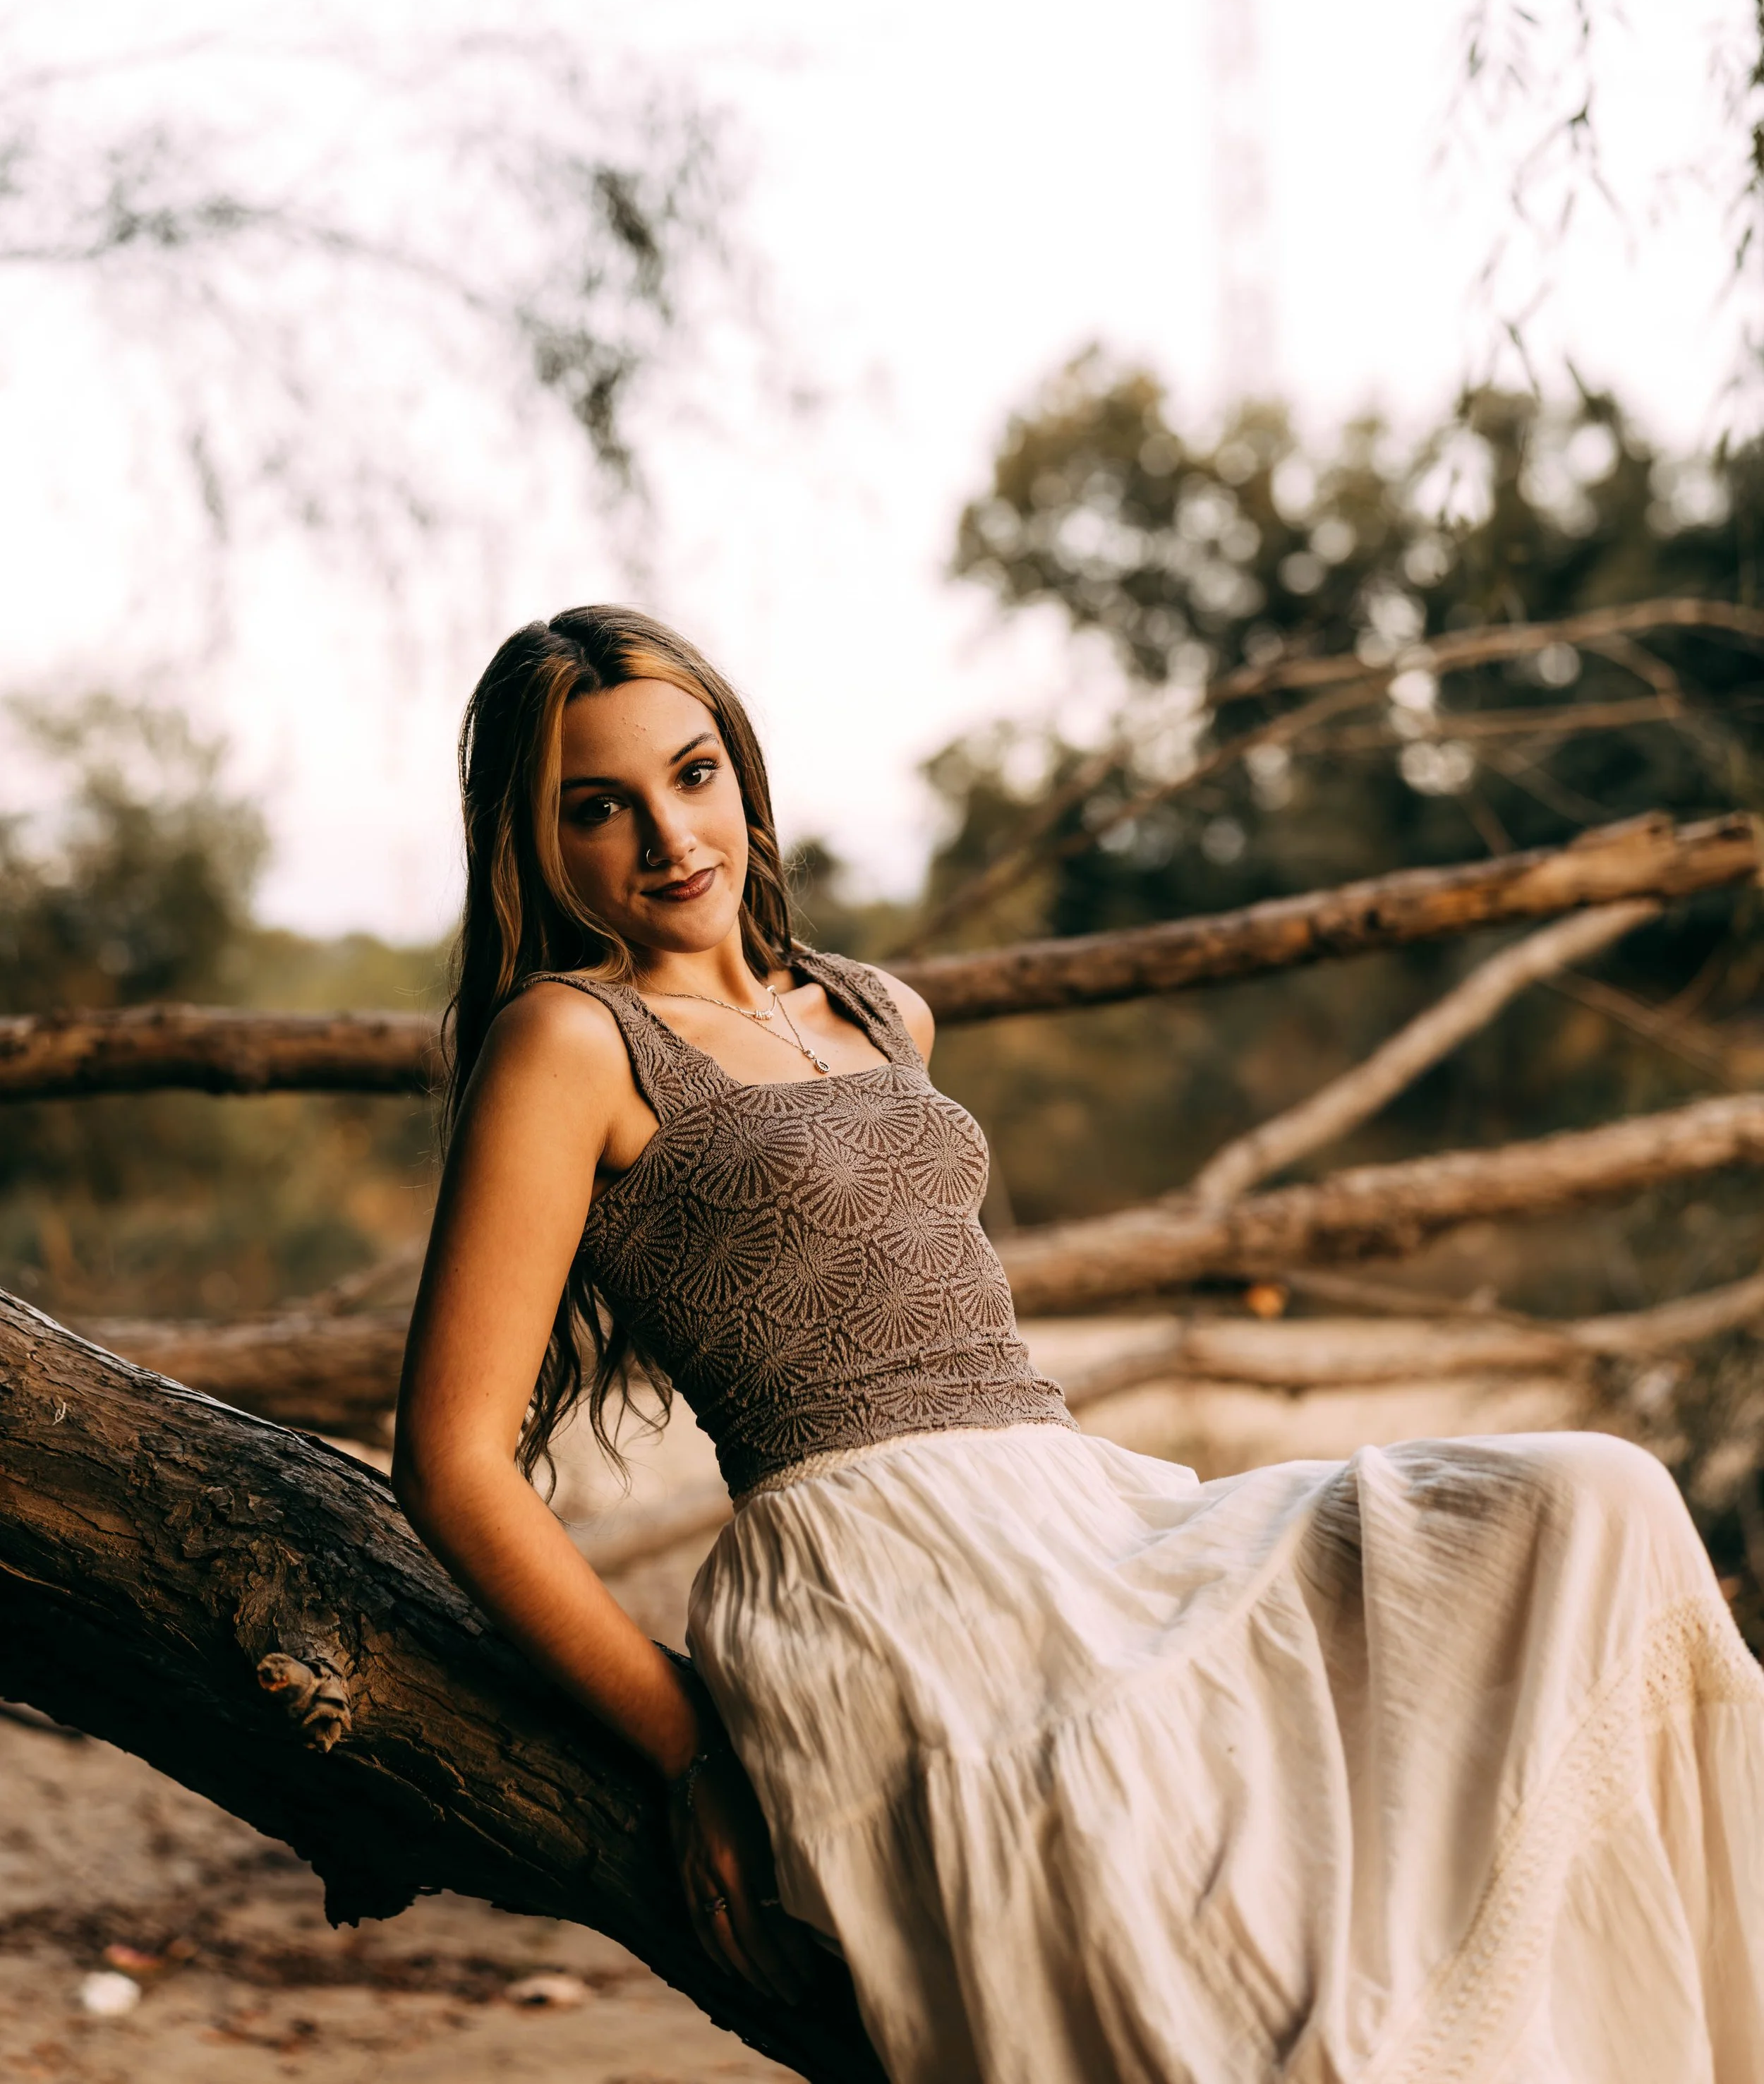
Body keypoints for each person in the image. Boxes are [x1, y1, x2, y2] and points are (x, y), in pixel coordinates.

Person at [394, 603, 1764, 2084]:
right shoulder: (569, 1043)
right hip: (883, 1573)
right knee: (1195, 1920)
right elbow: (453, 1462)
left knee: (1591, 1503)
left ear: (742, 772)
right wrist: (690, 1750)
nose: (669, 836)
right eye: (597, 808)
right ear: (533, 845)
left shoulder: (876, 1011)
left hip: (1086, 1508)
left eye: (694, 772)